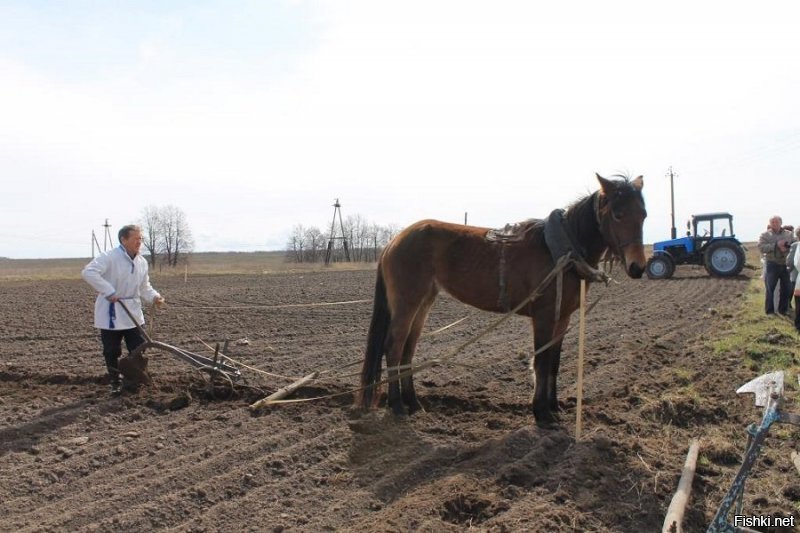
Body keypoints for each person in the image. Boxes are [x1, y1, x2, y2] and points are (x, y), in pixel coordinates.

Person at [82, 224, 165, 394]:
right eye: (136, 239)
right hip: (111, 312)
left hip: (133, 313)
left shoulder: (141, 262)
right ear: (123, 240)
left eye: (140, 238)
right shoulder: (109, 257)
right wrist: (109, 291)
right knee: (112, 350)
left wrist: (155, 297)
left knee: (139, 347)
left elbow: (144, 287)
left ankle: (135, 379)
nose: (139, 242)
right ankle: (115, 381)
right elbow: (88, 272)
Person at [758, 216, 793, 316]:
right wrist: (776, 245)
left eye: (776, 222)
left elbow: (793, 245)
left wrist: (786, 247)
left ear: (781, 223)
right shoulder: (765, 235)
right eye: (772, 222)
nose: (774, 224)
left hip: (785, 264)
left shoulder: (789, 234)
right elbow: (761, 247)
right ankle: (770, 311)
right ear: (770, 223)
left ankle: (783, 310)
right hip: (772, 264)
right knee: (770, 288)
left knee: (786, 288)